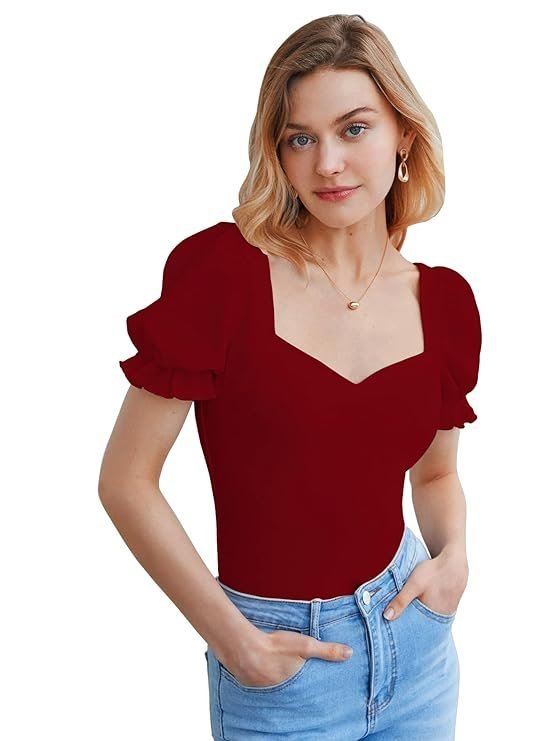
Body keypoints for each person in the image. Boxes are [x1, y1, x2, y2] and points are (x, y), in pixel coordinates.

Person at [99, 13, 481, 740]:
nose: (327, 162)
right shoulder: (222, 275)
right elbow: (126, 480)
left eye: (354, 129)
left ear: (404, 133)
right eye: (300, 138)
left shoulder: (445, 304)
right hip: (280, 669)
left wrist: (454, 556)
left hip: (416, 648)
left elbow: (434, 475)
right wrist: (234, 640)